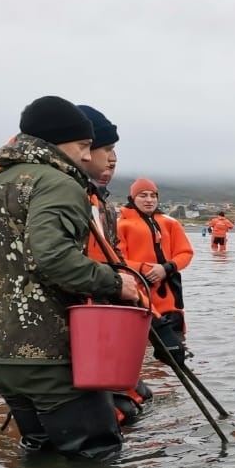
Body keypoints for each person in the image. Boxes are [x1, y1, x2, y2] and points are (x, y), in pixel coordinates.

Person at [0, 95, 139, 461]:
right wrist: (114, 282)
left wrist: (0, 315)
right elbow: (54, 256)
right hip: (55, 358)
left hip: (3, 361)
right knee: (96, 462)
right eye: (82, 146)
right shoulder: (59, 184)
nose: (84, 155)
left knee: (41, 457)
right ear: (57, 143)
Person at [77, 104, 153, 424]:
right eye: (106, 149)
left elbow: (114, 257)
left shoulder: (103, 204)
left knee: (136, 399)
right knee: (110, 413)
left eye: (115, 153)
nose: (112, 159)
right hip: (89, 308)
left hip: (121, 301)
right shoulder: (69, 196)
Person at [118, 178, 194, 346]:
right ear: (132, 198)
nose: (149, 200)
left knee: (175, 346)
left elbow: (185, 253)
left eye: (153, 195)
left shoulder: (170, 223)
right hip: (138, 294)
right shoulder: (121, 225)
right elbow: (117, 260)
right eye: (143, 195)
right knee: (140, 347)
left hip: (169, 298)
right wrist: (144, 269)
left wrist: (167, 268)